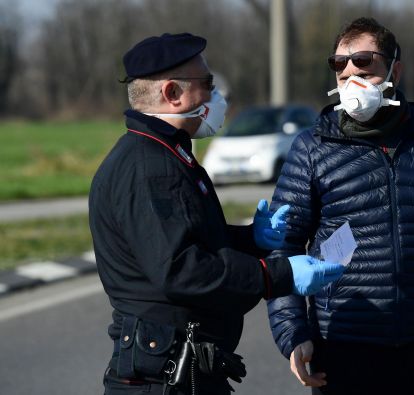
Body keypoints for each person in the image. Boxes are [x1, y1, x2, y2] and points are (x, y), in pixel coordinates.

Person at [89, 32, 344, 395]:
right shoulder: (149, 166)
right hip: (164, 379)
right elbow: (181, 268)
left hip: (182, 369)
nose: (216, 95)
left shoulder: (168, 154)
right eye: (207, 83)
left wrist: (249, 239)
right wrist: (276, 275)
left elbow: (187, 238)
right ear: (172, 94)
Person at [266, 18, 414, 395]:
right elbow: (282, 248)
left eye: (365, 66)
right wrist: (293, 332)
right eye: (341, 67)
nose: (351, 79)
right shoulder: (312, 148)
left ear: (394, 71)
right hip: (340, 347)